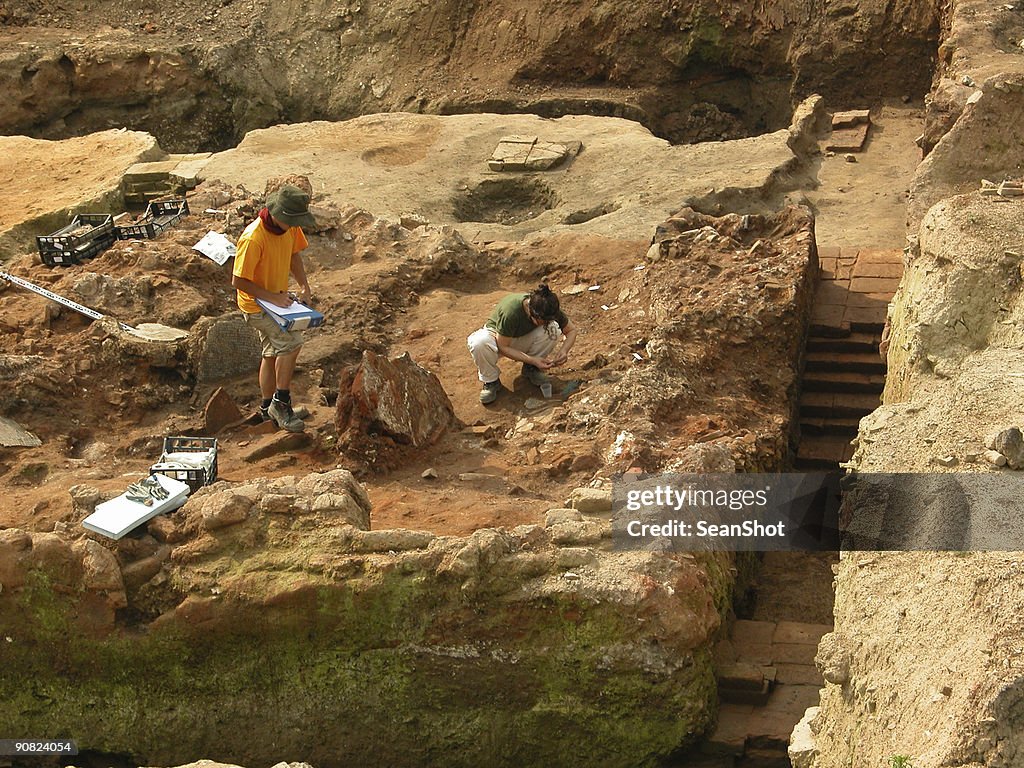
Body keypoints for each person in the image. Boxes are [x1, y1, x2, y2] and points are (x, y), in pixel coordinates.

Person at [232, 185, 315, 432]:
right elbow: (238, 281)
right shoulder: (253, 238)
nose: (295, 225)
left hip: (275, 302)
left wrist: (304, 285)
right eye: (293, 221)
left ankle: (267, 408)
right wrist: (271, 298)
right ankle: (281, 403)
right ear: (279, 214)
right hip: (256, 306)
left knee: (270, 353)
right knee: (292, 343)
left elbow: (293, 255)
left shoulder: (289, 226)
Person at [467, 284, 577, 404]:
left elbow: (571, 330)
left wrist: (564, 350)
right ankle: (491, 381)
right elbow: (503, 346)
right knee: (479, 343)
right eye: (542, 321)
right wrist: (533, 359)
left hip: (520, 338)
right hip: (497, 339)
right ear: (531, 312)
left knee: (553, 329)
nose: (545, 323)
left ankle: (531, 369)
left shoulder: (547, 307)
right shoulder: (512, 311)